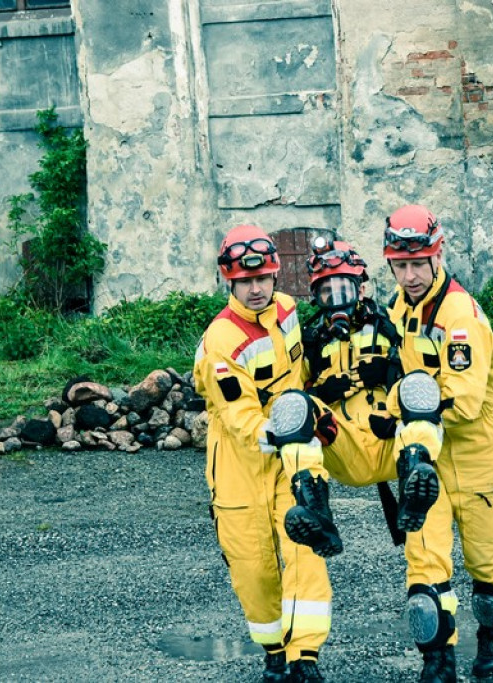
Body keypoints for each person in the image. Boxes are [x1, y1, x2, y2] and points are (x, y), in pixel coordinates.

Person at [193, 224, 338, 683]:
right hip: (240, 464)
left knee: (305, 551)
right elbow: (241, 418)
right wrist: (290, 428)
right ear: (229, 281)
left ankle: (305, 658)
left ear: (275, 275)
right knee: (252, 568)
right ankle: (275, 654)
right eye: (245, 281)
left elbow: (301, 369)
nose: (255, 289)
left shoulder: (288, 310)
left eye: (262, 278)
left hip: (291, 459)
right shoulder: (220, 341)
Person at [382, 204, 493, 682]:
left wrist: (397, 406)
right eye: (401, 266)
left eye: (419, 264)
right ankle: (438, 662)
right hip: (428, 462)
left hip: (480, 453)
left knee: (488, 566)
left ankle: (492, 642)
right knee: (424, 568)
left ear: (438, 256)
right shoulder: (398, 309)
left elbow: (461, 401)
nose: (411, 276)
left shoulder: (459, 315)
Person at [299, 236, 403, 527]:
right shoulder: (312, 341)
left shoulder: (389, 324)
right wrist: (321, 392)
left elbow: (420, 379)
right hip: (343, 446)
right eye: (327, 292)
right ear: (316, 297)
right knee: (296, 408)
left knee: (424, 414)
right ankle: (316, 517)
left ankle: (417, 499)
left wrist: (390, 371)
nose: (336, 299)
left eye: (344, 289)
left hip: (389, 435)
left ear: (361, 289)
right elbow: (297, 392)